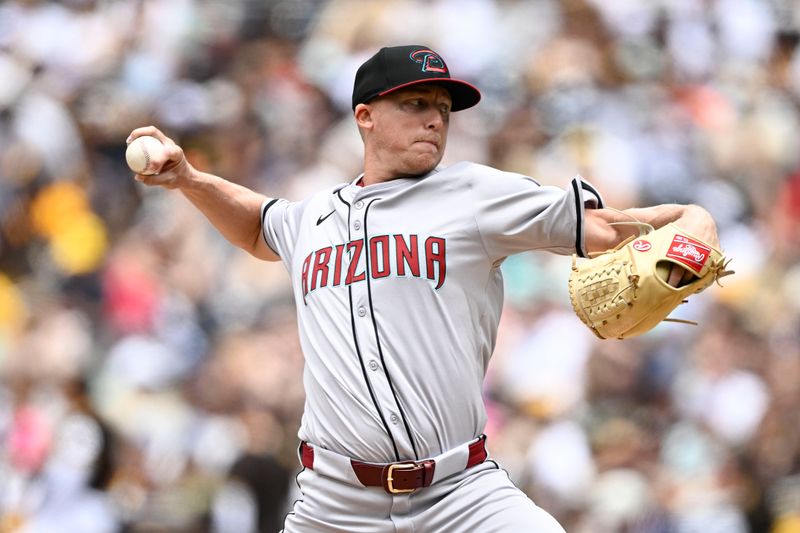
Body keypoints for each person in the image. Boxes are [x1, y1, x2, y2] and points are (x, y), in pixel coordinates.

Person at [126, 45, 720, 532]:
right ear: (365, 116)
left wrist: (696, 219)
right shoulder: (313, 218)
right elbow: (259, 224)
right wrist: (191, 180)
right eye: (415, 103)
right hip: (335, 505)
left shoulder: (475, 195)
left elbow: (605, 225)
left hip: (461, 493)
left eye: (442, 106)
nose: (435, 118)